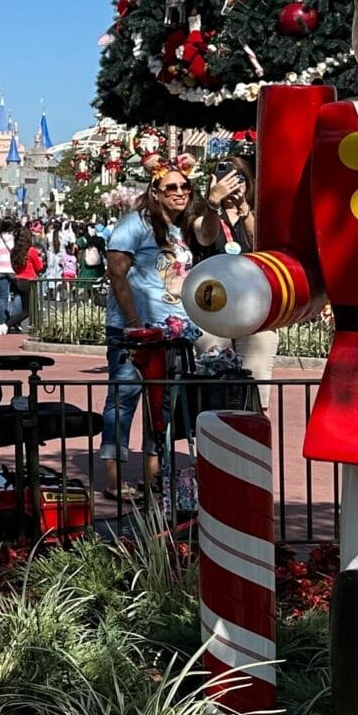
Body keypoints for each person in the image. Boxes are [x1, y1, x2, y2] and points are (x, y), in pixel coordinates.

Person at [100, 172, 194, 484]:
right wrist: (132, 323)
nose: (179, 192)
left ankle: (153, 475)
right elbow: (116, 272)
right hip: (135, 331)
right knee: (124, 398)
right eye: (171, 187)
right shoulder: (135, 223)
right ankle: (113, 477)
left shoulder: (181, 229)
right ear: (155, 192)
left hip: (172, 330)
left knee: (162, 405)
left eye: (185, 186)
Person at [187, 159, 277, 380]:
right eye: (224, 180)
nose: (232, 186)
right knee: (215, 382)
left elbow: (261, 246)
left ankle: (256, 412)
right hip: (213, 312)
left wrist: (245, 210)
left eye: (239, 179)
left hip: (254, 311)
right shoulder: (203, 218)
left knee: (256, 384)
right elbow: (206, 236)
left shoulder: (259, 217)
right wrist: (213, 203)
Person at [0, 223, 18, 331]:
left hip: (0, 269)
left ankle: (3, 322)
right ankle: (14, 320)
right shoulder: (15, 238)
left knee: (3, 297)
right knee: (17, 295)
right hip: (13, 270)